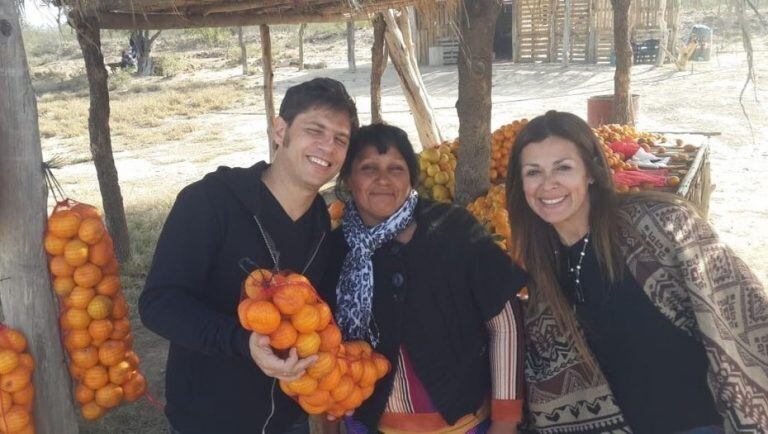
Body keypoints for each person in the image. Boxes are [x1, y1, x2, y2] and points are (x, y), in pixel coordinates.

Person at [506, 110, 768, 434]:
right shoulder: (542, 267)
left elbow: (746, 307)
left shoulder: (659, 225)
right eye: (534, 172)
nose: (548, 184)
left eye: (563, 167)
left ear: (590, 172)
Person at [139, 77, 359, 434]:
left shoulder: (321, 220)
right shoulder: (210, 202)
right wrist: (241, 342)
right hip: (210, 420)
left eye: (340, 139)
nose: (327, 147)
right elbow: (159, 304)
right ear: (280, 129)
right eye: (314, 130)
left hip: (290, 420)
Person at [320, 123, 527, 434]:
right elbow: (324, 344)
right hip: (366, 424)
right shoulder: (336, 251)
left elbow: (505, 322)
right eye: (368, 168)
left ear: (411, 179)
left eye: (396, 168)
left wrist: (505, 420)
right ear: (348, 179)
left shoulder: (452, 230)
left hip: (464, 425)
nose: (383, 179)